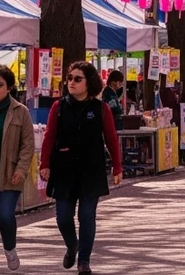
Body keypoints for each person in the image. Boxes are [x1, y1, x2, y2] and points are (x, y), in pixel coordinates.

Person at [40, 62, 122, 275]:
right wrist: (45, 163)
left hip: (91, 170)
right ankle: (72, 245)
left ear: (89, 82)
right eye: (70, 78)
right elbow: (49, 137)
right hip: (64, 169)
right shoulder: (59, 107)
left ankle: (84, 261)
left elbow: (111, 139)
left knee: (87, 216)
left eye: (78, 79)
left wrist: (117, 166)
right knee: (63, 217)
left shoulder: (100, 108)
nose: (72, 83)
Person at [0, 65, 33, 273]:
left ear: (9, 87)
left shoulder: (21, 112)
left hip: (10, 173)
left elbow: (27, 145)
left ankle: (10, 248)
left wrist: (21, 169)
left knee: (5, 215)